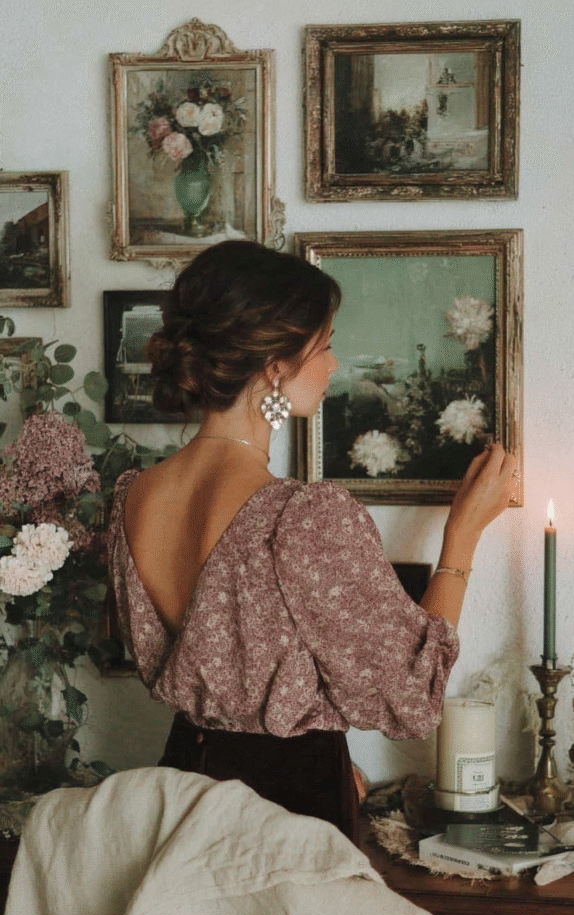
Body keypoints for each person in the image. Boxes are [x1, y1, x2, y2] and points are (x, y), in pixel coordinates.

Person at [107, 239, 517, 848]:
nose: (334, 365)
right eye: (324, 346)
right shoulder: (301, 517)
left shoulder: (131, 497)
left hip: (183, 795)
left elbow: (232, 683)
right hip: (287, 813)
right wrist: (461, 535)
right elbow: (411, 699)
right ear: (276, 365)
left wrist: (322, 748)